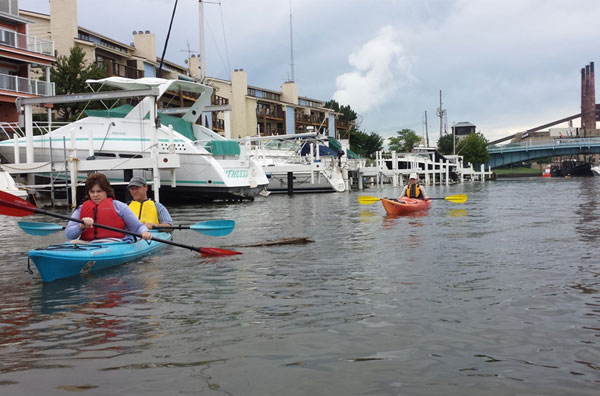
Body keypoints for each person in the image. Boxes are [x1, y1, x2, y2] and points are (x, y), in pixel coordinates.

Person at [65, 173, 152, 241]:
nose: (95, 195)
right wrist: (81, 226)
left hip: (115, 243)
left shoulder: (120, 207)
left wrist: (145, 232)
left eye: (99, 191)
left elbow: (137, 227)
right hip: (88, 244)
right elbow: (69, 235)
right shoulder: (80, 209)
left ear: (106, 191)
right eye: (92, 192)